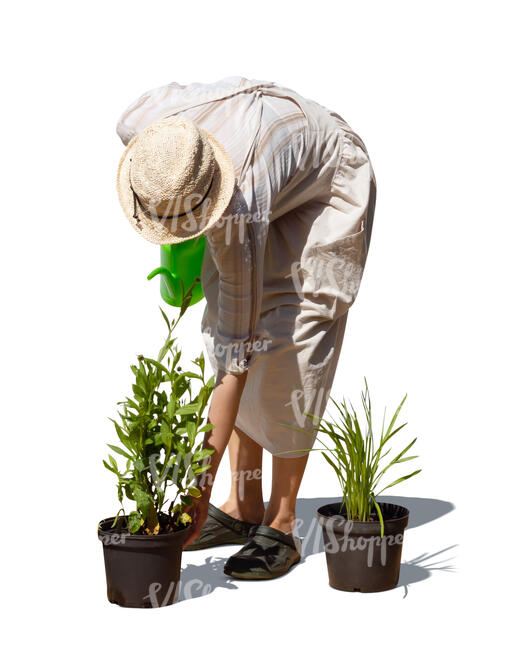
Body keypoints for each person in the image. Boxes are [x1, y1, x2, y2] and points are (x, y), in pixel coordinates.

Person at [116, 76, 376, 580]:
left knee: (291, 337)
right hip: (261, 163)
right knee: (223, 317)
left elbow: (234, 358)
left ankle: (281, 523)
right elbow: (227, 333)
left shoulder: (243, 200)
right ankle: (242, 505)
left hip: (327, 178)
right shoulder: (141, 126)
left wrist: (195, 488)